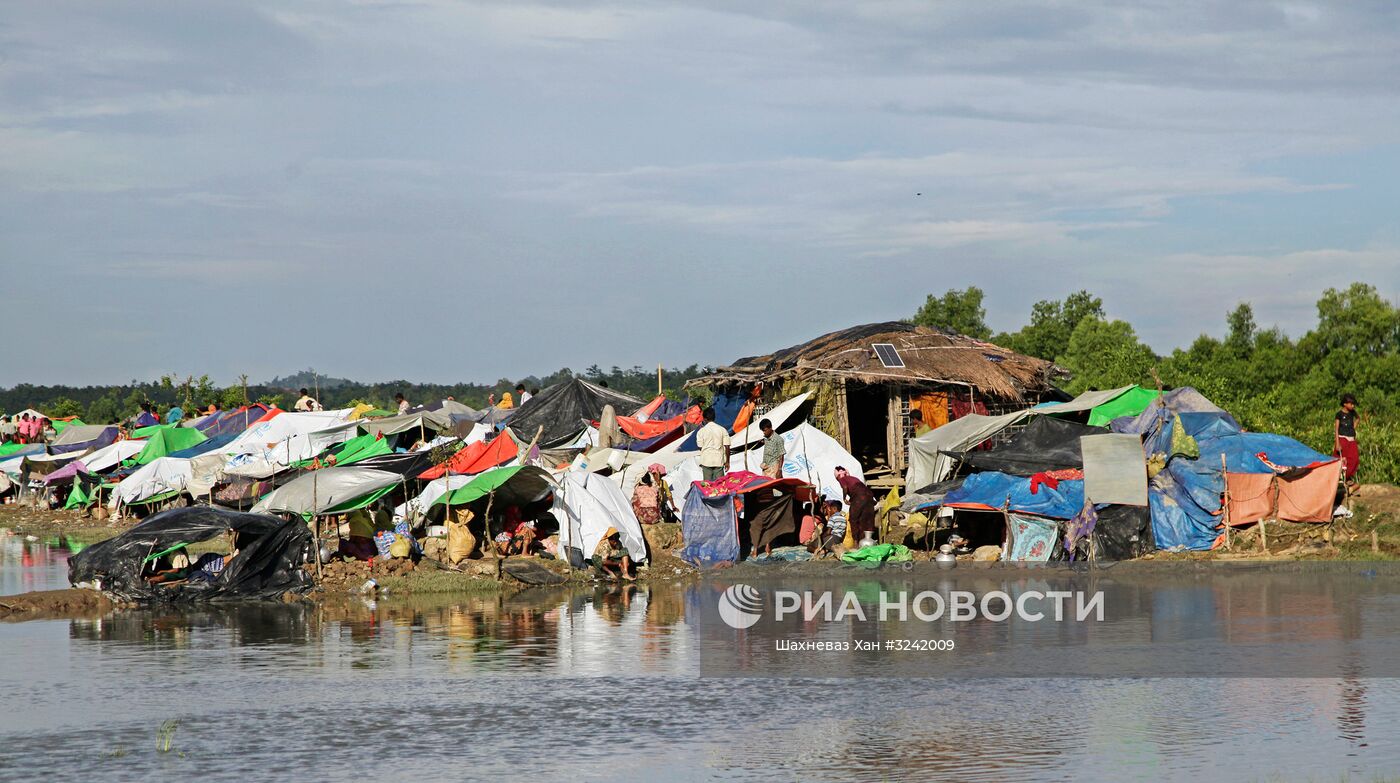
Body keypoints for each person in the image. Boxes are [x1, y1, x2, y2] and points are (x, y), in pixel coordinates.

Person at [834, 466, 876, 542]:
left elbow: (845, 487)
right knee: (866, 519)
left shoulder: (842, 479)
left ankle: (856, 542)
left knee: (853, 519)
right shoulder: (853, 478)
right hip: (869, 496)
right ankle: (868, 540)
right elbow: (858, 489)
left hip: (860, 497)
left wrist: (844, 498)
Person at [696, 407, 730, 482]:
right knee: (720, 485)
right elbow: (727, 447)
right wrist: (727, 462)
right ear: (714, 417)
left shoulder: (701, 432)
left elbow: (700, 447)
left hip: (706, 461)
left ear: (704, 419)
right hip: (719, 461)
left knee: (708, 485)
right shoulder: (722, 429)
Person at [1336, 393, 1361, 487]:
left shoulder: (1353, 413)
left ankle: (1348, 477)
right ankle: (1342, 479)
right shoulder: (1339, 414)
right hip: (1342, 439)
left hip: (1351, 439)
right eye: (1351, 404)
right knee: (1342, 460)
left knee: (1354, 459)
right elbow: (1336, 429)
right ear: (1345, 404)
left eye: (1353, 404)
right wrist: (1337, 443)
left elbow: (1358, 418)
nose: (1353, 406)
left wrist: (1353, 428)